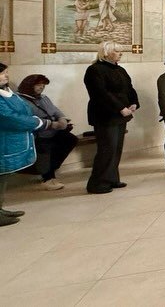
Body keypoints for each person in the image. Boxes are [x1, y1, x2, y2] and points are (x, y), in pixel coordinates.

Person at [1, 63, 67, 226]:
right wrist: (43, 123)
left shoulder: (8, 93)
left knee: (3, 176)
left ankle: (0, 209)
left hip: (14, 139)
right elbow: (11, 118)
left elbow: (25, 111)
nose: (6, 76)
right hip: (5, 140)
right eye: (2, 73)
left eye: (6, 72)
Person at [83, 42, 139, 194]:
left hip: (121, 114)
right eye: (117, 51)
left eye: (121, 51)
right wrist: (120, 108)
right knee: (107, 149)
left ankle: (112, 178)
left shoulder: (120, 69)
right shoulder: (95, 70)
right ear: (105, 53)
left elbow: (129, 88)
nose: (120, 54)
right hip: (105, 115)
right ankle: (97, 183)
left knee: (116, 149)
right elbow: (100, 93)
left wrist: (134, 103)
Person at [17, 74, 78, 190]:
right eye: (38, 85)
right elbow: (27, 120)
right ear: (29, 85)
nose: (41, 87)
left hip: (53, 131)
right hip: (37, 134)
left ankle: (51, 169)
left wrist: (62, 119)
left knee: (70, 139)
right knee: (45, 147)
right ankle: (48, 177)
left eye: (43, 85)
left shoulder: (43, 98)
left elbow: (55, 110)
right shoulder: (20, 100)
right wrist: (50, 124)